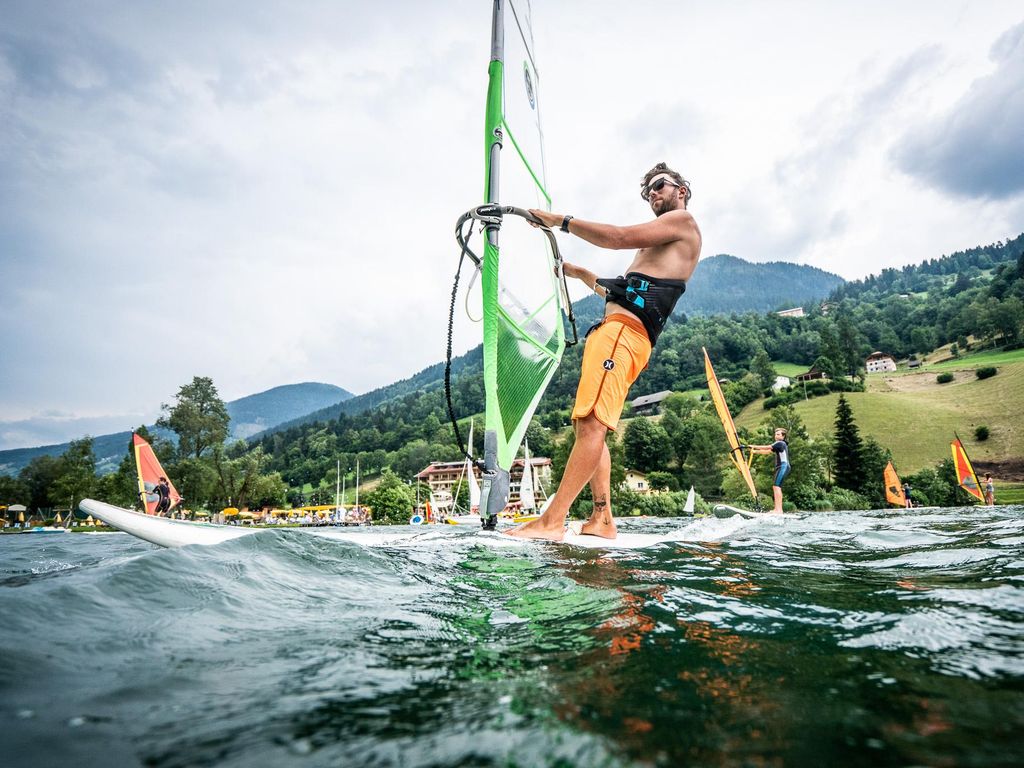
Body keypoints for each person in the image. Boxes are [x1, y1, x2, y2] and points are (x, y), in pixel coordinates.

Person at [508, 162, 701, 541]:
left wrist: (560, 221)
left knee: (593, 424)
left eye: (659, 186)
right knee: (587, 424)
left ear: (681, 190)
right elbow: (624, 293)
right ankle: (602, 519)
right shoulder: (661, 245)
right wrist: (580, 274)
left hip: (623, 335)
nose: (652, 193)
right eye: (647, 191)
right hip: (617, 333)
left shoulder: (683, 221)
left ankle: (551, 522)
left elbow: (616, 237)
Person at [748, 428, 790, 514]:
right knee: (776, 487)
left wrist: (753, 446)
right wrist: (755, 451)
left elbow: (767, 447)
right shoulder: (779, 445)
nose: (776, 436)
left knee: (777, 487)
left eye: (778, 434)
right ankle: (778, 510)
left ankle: (778, 510)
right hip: (781, 467)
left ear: (783, 436)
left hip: (783, 466)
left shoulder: (780, 443)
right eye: (775, 434)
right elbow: (768, 451)